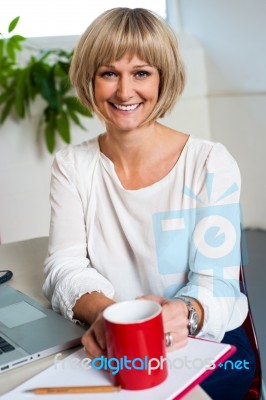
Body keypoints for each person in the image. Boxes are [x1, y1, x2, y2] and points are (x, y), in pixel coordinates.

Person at [43, 8, 255, 399]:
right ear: (90, 79)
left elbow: (218, 284)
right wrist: (107, 316)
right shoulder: (72, 166)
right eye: (109, 73)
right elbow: (65, 265)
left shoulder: (210, 162)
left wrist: (184, 313)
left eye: (141, 73)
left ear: (163, 78)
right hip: (113, 338)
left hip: (205, 340)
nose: (125, 91)